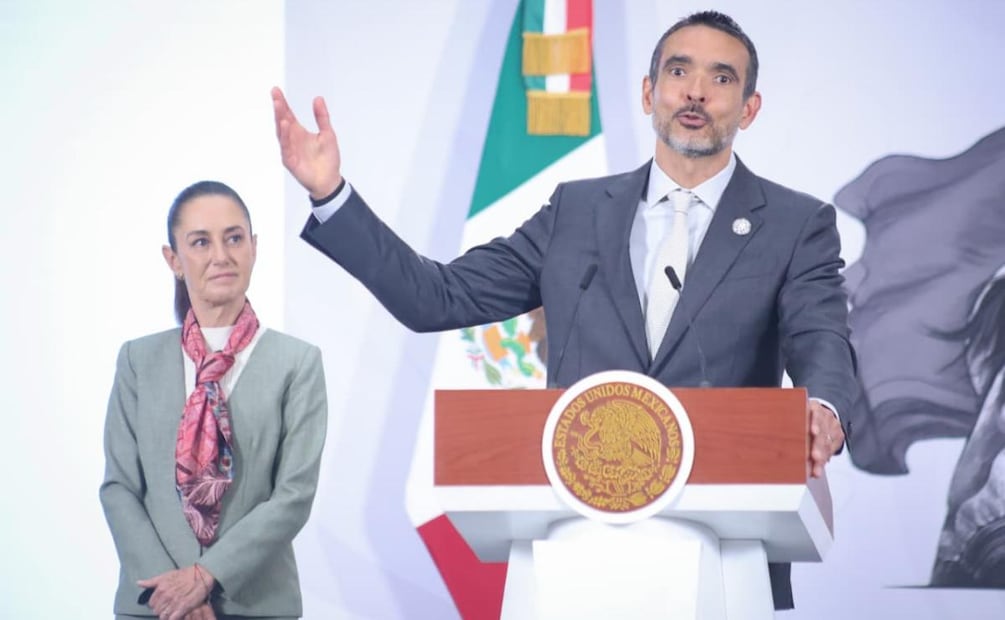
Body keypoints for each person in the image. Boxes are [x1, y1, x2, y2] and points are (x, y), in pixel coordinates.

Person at [271, 10, 856, 610]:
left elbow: (822, 337)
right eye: (679, 71)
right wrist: (330, 195)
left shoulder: (794, 224)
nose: (696, 91)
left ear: (750, 108)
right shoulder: (576, 212)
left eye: (722, 78)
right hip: (571, 546)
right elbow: (435, 296)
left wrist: (824, 407)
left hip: (722, 553)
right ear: (649, 92)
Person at [99, 181, 328, 620]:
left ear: (254, 247)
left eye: (234, 238)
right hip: (154, 605)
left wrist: (206, 576)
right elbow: (119, 488)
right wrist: (172, 593)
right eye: (201, 242)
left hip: (255, 604)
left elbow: (294, 494)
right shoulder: (137, 361)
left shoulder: (297, 363)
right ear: (174, 260)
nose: (221, 255)